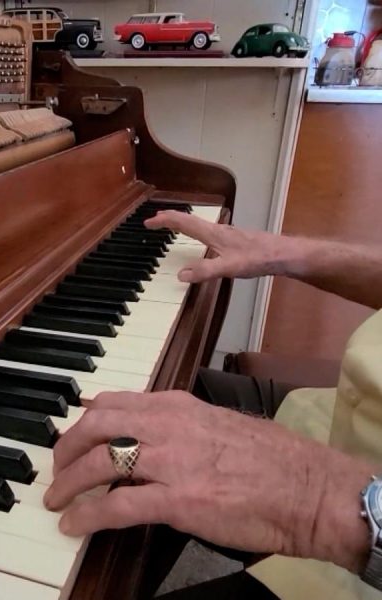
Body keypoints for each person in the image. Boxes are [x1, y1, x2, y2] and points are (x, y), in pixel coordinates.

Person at [43, 209, 382, 599]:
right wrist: (283, 252)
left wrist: (315, 499)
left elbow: (321, 500)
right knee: (150, 407)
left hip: (356, 554)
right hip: (334, 412)